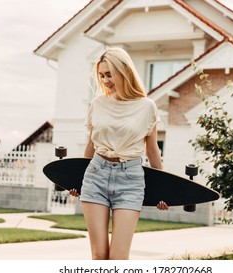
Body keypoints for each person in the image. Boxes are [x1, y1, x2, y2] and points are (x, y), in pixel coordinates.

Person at [69, 47, 168, 260]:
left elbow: (152, 151)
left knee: (118, 258)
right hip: (96, 174)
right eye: (101, 75)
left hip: (130, 180)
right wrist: (76, 179)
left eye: (109, 74)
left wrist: (164, 190)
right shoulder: (98, 104)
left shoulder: (147, 107)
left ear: (124, 71)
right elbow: (91, 145)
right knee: (99, 255)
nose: (105, 80)